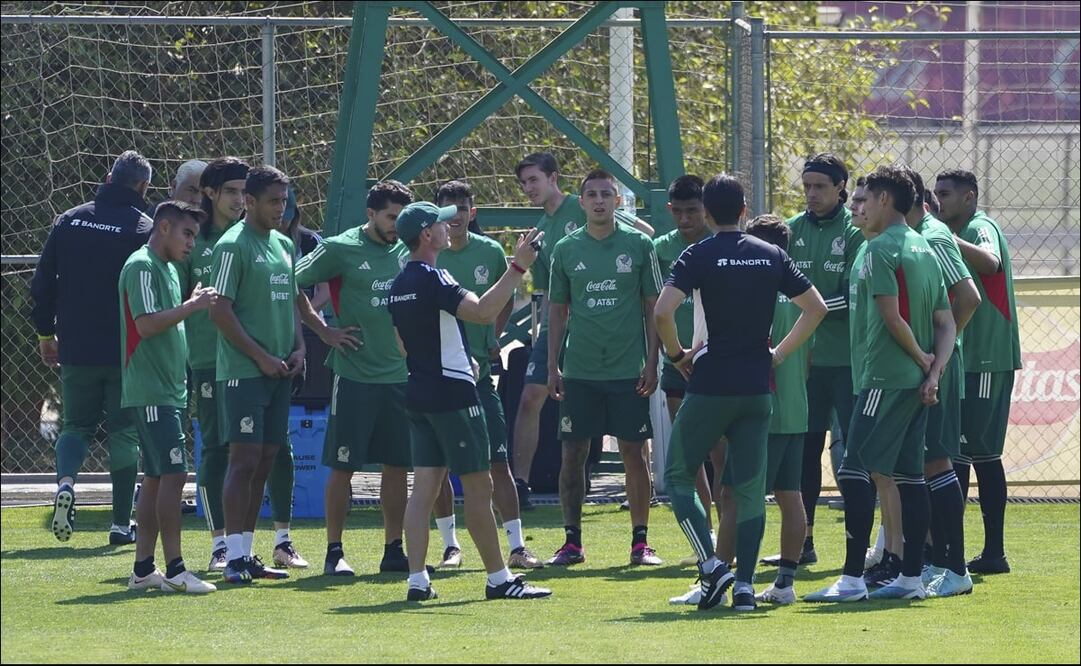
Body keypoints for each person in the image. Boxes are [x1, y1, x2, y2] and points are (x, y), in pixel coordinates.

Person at [657, 175, 825, 611]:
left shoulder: (697, 253)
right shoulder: (771, 254)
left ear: (708, 213)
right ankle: (746, 588)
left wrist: (677, 355)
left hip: (711, 382)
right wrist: (778, 355)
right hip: (757, 386)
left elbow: (662, 311)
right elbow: (816, 308)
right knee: (749, 490)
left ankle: (713, 566)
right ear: (745, 210)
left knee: (678, 475)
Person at [807, 166, 956, 603]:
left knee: (855, 469)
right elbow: (945, 323)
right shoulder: (923, 247)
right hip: (911, 382)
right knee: (909, 476)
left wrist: (921, 359)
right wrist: (932, 370)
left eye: (864, 200)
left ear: (885, 201)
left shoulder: (878, 251)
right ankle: (911, 578)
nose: (860, 207)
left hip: (881, 379)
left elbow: (893, 318)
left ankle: (852, 579)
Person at [388, 201, 551, 602]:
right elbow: (482, 312)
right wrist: (518, 267)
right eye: (441, 224)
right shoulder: (433, 277)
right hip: (453, 394)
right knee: (481, 485)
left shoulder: (399, 283)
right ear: (427, 235)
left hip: (418, 392)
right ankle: (499, 579)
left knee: (423, 487)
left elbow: (401, 344)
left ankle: (417, 581)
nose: (451, 227)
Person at [293, 180, 422, 576]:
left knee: (398, 465)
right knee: (343, 465)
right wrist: (323, 331)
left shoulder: (408, 247)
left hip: (400, 376)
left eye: (403, 219)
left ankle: (393, 548)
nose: (397, 226)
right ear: (370, 214)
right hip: (354, 375)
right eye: (390, 218)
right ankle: (334, 551)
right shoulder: (340, 248)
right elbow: (290, 281)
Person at [510, 152, 653, 509]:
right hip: (563, 324)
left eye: (534, 180)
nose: (529, 188)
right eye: (524, 183)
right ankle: (521, 484)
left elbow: (646, 232)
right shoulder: (543, 229)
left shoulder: (586, 205)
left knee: (630, 424)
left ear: (553, 178)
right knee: (531, 397)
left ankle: (642, 500)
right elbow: (552, 294)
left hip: (613, 335)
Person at [32, 150, 154, 546]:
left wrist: (45, 334)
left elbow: (42, 282)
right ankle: (120, 524)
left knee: (75, 426)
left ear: (107, 176)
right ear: (142, 186)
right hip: (125, 348)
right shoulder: (143, 227)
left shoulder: (70, 220)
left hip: (78, 345)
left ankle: (65, 484)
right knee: (123, 431)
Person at [545, 169, 663, 567]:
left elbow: (653, 307)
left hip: (628, 370)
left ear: (618, 202)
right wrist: (552, 366)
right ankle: (572, 541)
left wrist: (652, 360)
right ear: (581, 202)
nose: (599, 200)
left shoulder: (639, 245)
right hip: (580, 370)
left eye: (606, 194)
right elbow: (557, 311)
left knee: (635, 452)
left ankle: (640, 542)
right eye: (591, 194)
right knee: (573, 453)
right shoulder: (566, 248)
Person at [433, 179, 544, 570]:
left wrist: (493, 337)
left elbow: (505, 294)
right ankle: (450, 545)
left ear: (472, 212)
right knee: (439, 465)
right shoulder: (429, 256)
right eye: (449, 207)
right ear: (437, 215)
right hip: (441, 378)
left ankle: (516, 546)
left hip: (480, 377)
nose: (457, 215)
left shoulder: (491, 251)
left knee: (499, 461)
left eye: (463, 207)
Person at [713, 213, 815, 606]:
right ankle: (785, 584)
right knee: (790, 494)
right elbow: (807, 359)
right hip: (796, 411)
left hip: (761, 412)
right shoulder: (801, 294)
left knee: (736, 495)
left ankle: (720, 577)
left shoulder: (756, 294)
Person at [210, 165, 303, 584]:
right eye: (273, 201)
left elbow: (293, 304)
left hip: (279, 371)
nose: (280, 209)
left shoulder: (284, 244)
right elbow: (220, 310)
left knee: (265, 459)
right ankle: (231, 557)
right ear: (249, 201)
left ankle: (247, 555)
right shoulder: (232, 246)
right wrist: (261, 357)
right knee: (243, 460)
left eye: (284, 201)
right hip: (244, 372)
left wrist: (299, 347)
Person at [121, 200, 218, 594]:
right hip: (151, 390)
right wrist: (191, 306)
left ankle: (144, 569)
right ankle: (176, 570)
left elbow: (168, 317)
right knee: (175, 474)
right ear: (163, 227)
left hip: (167, 389)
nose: (192, 242)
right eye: (187, 233)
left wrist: (186, 304)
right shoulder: (142, 265)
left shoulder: (167, 269)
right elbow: (145, 325)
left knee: (159, 476)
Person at [934, 168, 1021, 575]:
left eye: (946, 194)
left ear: (969, 197)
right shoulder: (954, 230)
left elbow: (991, 261)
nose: (939, 201)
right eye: (935, 194)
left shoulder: (980, 225)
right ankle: (956, 550)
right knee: (959, 455)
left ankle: (995, 553)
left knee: (982, 454)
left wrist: (951, 240)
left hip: (987, 358)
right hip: (966, 357)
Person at [902, 167, 981, 597]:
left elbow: (969, 297)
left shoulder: (933, 236)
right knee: (923, 464)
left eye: (873, 196)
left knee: (936, 462)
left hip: (936, 368)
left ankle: (956, 569)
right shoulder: (919, 234)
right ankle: (938, 562)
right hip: (929, 364)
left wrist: (944, 353)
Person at [786, 153, 865, 564]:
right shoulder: (791, 230)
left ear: (840, 188)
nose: (812, 194)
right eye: (807, 186)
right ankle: (804, 541)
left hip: (847, 362)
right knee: (804, 451)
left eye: (820, 186)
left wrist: (803, 307)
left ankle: (861, 545)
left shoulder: (855, 232)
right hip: (803, 363)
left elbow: (853, 297)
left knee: (854, 453)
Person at [652, 175, 725, 582]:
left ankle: (724, 524)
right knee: (688, 447)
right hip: (676, 363)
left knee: (719, 446)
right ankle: (706, 527)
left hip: (714, 361)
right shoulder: (660, 250)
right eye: (677, 211)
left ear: (706, 210)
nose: (684, 218)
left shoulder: (721, 245)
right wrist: (668, 355)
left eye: (692, 211)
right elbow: (655, 309)